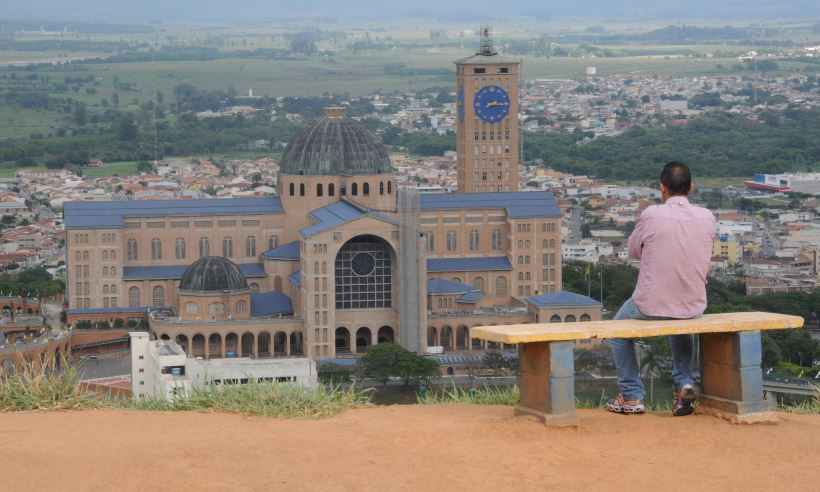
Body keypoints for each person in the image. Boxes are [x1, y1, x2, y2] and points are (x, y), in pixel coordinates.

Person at [605, 162, 716, 417]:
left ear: (662, 188)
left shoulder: (651, 214)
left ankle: (632, 396)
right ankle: (684, 383)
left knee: (617, 333)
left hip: (650, 303)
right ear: (691, 187)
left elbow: (634, 251)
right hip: (693, 302)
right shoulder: (707, 217)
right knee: (681, 321)